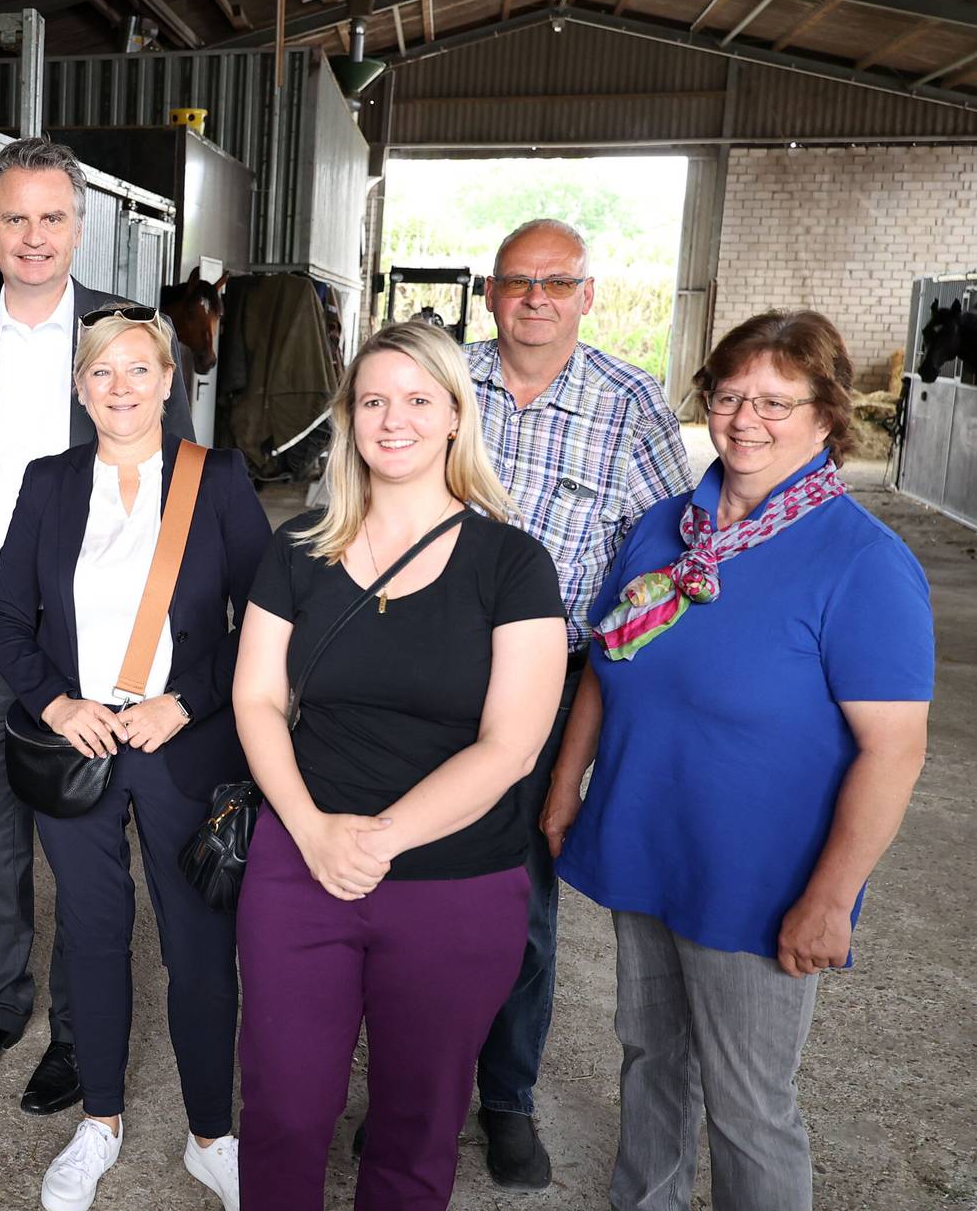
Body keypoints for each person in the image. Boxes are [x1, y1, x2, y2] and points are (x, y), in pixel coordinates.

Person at [543, 309, 932, 1211]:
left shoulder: (862, 563)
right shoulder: (665, 528)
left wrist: (830, 902)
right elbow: (609, 660)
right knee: (650, 1059)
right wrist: (566, 790)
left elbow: (894, 750)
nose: (745, 419)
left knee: (749, 1102)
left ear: (828, 417)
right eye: (728, 396)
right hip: (647, 841)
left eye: (776, 402)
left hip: (761, 876)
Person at [231, 320, 567, 1210]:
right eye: (374, 400)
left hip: (455, 880)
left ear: (456, 416)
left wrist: (376, 841)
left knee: (419, 1128)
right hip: (300, 865)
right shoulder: (299, 547)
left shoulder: (512, 564)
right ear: (349, 417)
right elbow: (256, 699)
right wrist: (311, 832)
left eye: (419, 400)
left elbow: (513, 744)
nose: (395, 420)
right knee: (285, 1114)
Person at [0, 136, 193, 1111]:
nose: (34, 235)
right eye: (15, 218)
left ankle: (76, 1030)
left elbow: (176, 494)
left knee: (84, 845)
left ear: (81, 224)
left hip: (90, 640)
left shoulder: (132, 332)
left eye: (52, 216)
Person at [0, 307, 266, 1211]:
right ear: (81, 387)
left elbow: (266, 623)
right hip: (81, 749)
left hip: (181, 746)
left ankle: (211, 1134)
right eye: (101, 372)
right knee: (94, 937)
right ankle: (99, 1121)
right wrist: (59, 704)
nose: (120, 387)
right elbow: (5, 621)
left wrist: (184, 702)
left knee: (198, 943)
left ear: (168, 380)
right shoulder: (49, 482)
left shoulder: (216, 479)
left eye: (138, 370)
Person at [458, 217, 693, 1188]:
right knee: (405, 888)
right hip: (419, 679)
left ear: (588, 294)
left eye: (558, 282)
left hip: (547, 684)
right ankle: (411, 1085)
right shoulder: (440, 377)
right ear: (490, 292)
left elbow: (665, 568)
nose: (537, 298)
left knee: (519, 902)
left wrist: (610, 707)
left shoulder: (631, 401)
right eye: (518, 280)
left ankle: (507, 1096)